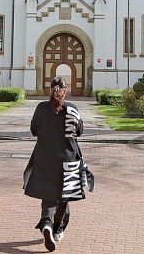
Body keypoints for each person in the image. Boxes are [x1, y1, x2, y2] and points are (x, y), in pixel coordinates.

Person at [23, 77, 93, 252]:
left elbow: (34, 130)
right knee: (64, 195)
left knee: (48, 194)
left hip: (45, 157)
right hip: (68, 158)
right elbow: (79, 131)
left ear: (50, 90)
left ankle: (47, 224)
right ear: (65, 91)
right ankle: (56, 229)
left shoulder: (41, 108)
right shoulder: (72, 109)